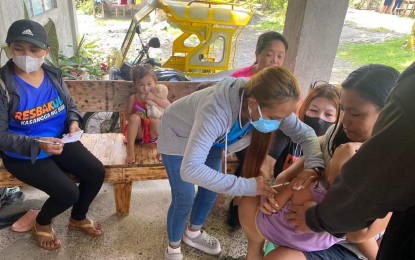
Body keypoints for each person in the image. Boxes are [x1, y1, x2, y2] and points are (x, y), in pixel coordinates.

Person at [158, 66, 325, 260]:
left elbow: (307, 134)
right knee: (184, 196)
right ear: (253, 104)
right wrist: (247, 186)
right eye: (275, 118)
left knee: (211, 189)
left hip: (213, 139)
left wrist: (314, 166)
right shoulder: (216, 110)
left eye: (283, 118)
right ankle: (173, 247)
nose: (278, 124)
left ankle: (193, 233)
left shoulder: (268, 103)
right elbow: (191, 169)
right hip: (178, 133)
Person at [268, 64, 400, 259]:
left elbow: (359, 234)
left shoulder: (397, 164)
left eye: (355, 113)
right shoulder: (336, 135)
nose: (344, 120)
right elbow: (288, 175)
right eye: (343, 109)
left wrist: (316, 217)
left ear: (389, 112)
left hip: (349, 245)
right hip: (315, 229)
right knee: (253, 202)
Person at [0, 20, 105, 250]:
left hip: (61, 140)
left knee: (96, 173)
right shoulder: (3, 85)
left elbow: (70, 106)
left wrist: (74, 122)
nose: (26, 55)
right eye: (19, 48)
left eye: (34, 50)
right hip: (23, 153)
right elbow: (1, 136)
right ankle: (42, 222)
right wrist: (39, 144)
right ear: (9, 49)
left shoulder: (52, 75)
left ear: (46, 52)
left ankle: (78, 218)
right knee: (68, 193)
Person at [228, 30, 288, 228]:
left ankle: (267, 199)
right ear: (257, 54)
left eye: (280, 56)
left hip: (269, 131)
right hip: (243, 132)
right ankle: (244, 201)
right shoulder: (239, 79)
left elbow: (290, 114)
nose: (275, 60)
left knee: (283, 142)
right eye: (270, 54)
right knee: (254, 152)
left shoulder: (283, 81)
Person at [269, 81, 340, 177]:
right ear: (304, 109)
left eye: (328, 114)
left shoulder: (335, 148)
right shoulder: (288, 132)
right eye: (314, 110)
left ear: (337, 119)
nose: (319, 119)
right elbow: (268, 160)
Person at [124, 64, 170, 164]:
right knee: (134, 118)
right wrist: (135, 113)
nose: (145, 88)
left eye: (149, 84)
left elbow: (169, 107)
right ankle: (130, 149)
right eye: (141, 85)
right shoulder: (134, 98)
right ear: (135, 84)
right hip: (139, 133)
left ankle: (162, 149)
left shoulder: (158, 95)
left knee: (154, 119)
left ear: (155, 82)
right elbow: (127, 116)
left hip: (153, 135)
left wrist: (154, 99)